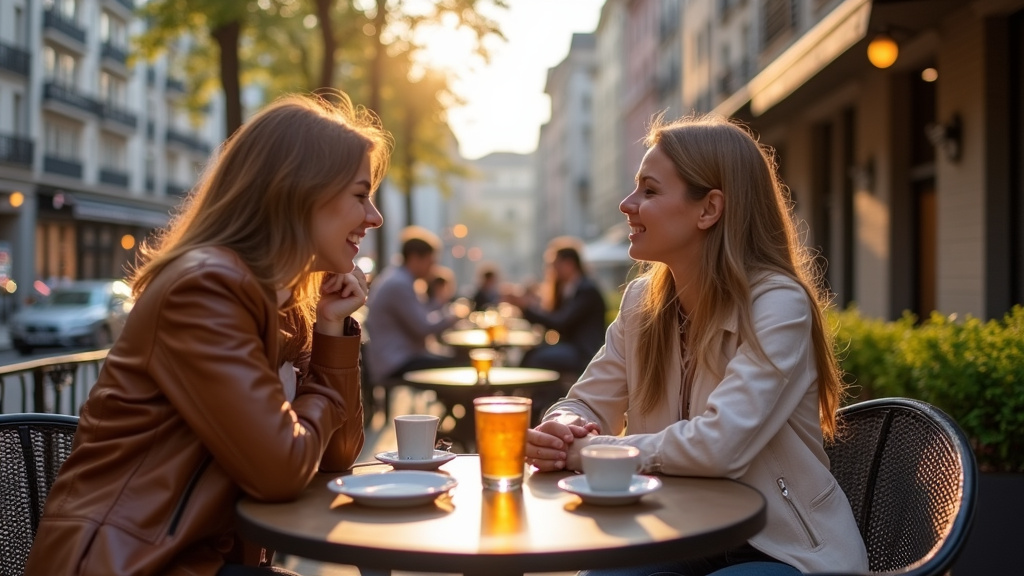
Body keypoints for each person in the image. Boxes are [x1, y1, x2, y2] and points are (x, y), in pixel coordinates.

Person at [24, 92, 391, 576]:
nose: (374, 217)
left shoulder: (287, 301)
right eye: (360, 195)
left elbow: (338, 455)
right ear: (299, 191)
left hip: (205, 560)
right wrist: (319, 393)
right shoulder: (204, 288)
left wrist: (331, 330)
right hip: (132, 564)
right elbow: (282, 470)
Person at [525, 114, 869, 576]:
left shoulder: (778, 304)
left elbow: (718, 446)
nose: (627, 204)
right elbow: (588, 400)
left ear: (709, 209)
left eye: (649, 190)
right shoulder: (641, 302)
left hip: (780, 546)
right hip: (675, 530)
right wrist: (564, 426)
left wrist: (590, 452)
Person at [364, 226, 462, 384]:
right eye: (430, 262)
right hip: (395, 362)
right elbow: (423, 327)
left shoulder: (399, 279)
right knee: (457, 367)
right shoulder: (399, 284)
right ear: (415, 258)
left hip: (397, 358)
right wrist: (453, 316)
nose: (433, 268)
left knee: (454, 364)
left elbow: (422, 318)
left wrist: (439, 302)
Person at [503, 236, 607, 376]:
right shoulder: (571, 288)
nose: (552, 270)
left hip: (584, 352)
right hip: (572, 347)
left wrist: (526, 307)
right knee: (530, 354)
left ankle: (542, 396)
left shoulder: (586, 290)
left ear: (569, 264)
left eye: (555, 265)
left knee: (535, 358)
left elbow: (560, 322)